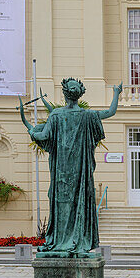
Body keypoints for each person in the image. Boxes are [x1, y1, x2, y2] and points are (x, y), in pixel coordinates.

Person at [19, 76, 122, 256]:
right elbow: (111, 112)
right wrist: (116, 93)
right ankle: (77, 240)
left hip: (61, 172)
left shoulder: (56, 115)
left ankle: (60, 242)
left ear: (65, 93)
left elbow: (43, 136)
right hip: (81, 173)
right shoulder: (88, 116)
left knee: (62, 206)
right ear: (79, 95)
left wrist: (31, 132)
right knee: (78, 204)